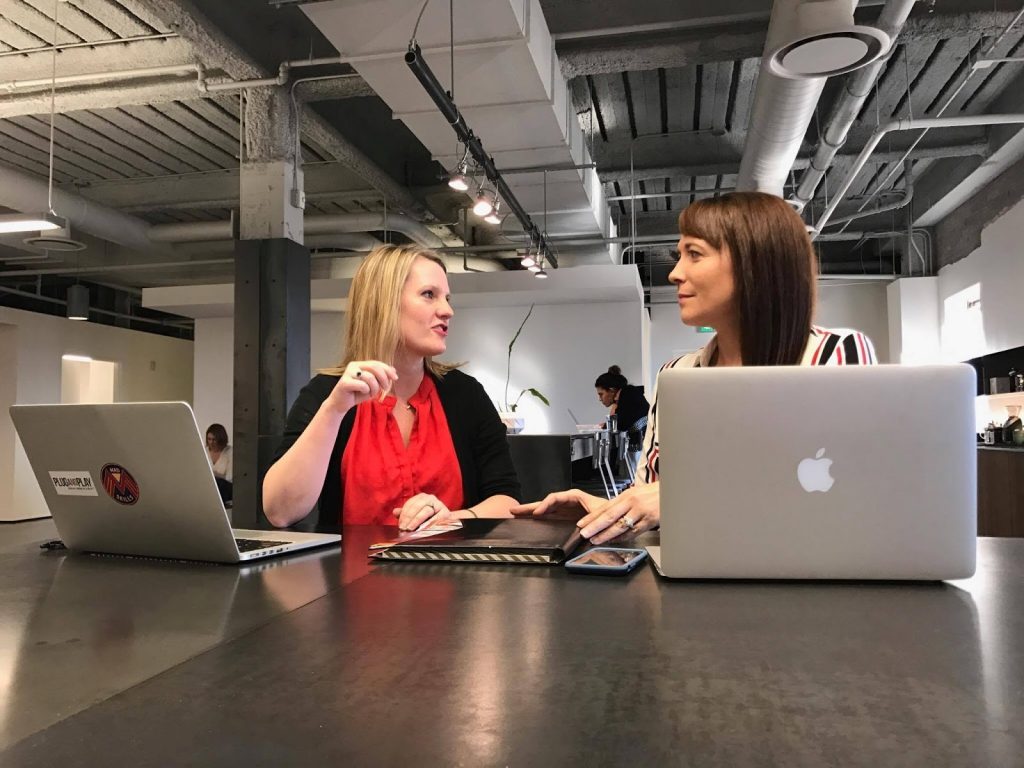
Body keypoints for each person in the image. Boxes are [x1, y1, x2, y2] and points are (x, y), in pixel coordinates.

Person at [513, 191, 876, 543]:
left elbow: (851, 498)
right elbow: (652, 499)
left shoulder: (832, 353)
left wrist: (677, 498)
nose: (674, 273)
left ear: (754, 265)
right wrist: (610, 511)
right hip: (687, 575)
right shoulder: (677, 374)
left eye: (694, 254)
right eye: (679, 254)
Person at [263, 244, 520, 532]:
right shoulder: (327, 395)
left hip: (454, 574)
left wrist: (452, 518)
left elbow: (506, 499)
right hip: (349, 575)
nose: (447, 310)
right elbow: (280, 512)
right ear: (383, 303)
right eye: (429, 295)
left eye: (447, 298)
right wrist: (334, 410)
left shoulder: (465, 395)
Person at [594, 365, 650, 452]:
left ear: (612, 390)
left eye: (601, 394)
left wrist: (606, 425)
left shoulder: (628, 396)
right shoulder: (629, 393)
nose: (600, 399)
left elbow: (621, 424)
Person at [205, 423, 233, 503]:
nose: (211, 442)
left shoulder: (230, 452)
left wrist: (214, 474)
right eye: (209, 439)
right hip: (207, 486)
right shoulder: (205, 452)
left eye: (214, 440)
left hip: (224, 488)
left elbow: (229, 478)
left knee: (219, 483)